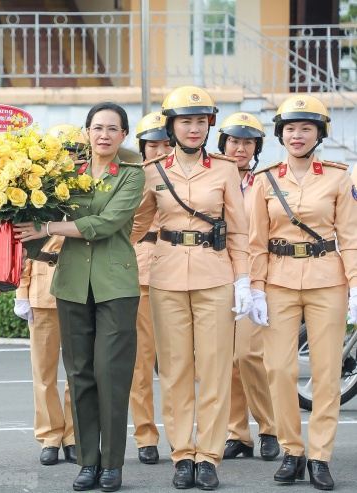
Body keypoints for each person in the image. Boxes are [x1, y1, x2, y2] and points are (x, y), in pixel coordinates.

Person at [16, 102, 145, 493]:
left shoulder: (132, 175)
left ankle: (113, 464)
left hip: (116, 287)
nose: (104, 134)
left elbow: (107, 224)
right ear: (87, 132)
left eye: (113, 128)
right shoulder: (62, 174)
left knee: (111, 374)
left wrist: (48, 226)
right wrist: (24, 243)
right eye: (97, 127)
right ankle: (88, 461)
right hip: (71, 284)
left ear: (124, 135)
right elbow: (36, 219)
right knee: (81, 374)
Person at [131, 86, 252, 490]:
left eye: (201, 121)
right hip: (165, 276)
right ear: (171, 125)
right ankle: (183, 453)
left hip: (214, 276)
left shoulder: (224, 169)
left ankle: (209, 456)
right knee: (176, 369)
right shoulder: (153, 171)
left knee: (215, 369)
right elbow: (136, 225)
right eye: (186, 121)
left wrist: (244, 280)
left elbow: (237, 229)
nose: (195, 128)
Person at [248, 94, 357, 490]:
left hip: (328, 280)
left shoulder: (338, 177)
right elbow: (256, 241)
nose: (297, 135)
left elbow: (350, 235)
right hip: (278, 280)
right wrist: (255, 287)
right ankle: (292, 449)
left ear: (319, 134)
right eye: (290, 128)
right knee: (278, 369)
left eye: (306, 128)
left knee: (327, 373)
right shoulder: (265, 180)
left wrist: (356, 285)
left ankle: (320, 455)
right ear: (280, 134)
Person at [13, 124, 79, 468]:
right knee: (44, 371)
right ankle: (50, 435)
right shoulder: (36, 194)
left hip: (80, 285)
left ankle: (74, 435)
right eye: (61, 153)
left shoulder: (86, 193)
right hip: (41, 287)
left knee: (78, 370)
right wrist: (21, 291)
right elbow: (25, 250)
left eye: (74, 153)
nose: (68, 160)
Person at [216, 113, 279, 462]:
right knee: (225, 360)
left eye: (248, 143)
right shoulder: (212, 177)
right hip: (216, 274)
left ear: (257, 147)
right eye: (234, 141)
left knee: (249, 355)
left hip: (253, 275)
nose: (240, 148)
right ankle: (237, 433)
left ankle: (269, 427)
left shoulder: (265, 182)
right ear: (223, 143)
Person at [129, 111, 171, 466]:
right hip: (141, 272)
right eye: (152, 144)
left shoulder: (186, 173)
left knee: (179, 363)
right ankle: (145, 434)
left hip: (179, 270)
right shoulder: (133, 178)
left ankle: (184, 433)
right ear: (142, 147)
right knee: (141, 364)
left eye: (164, 143)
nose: (158, 149)